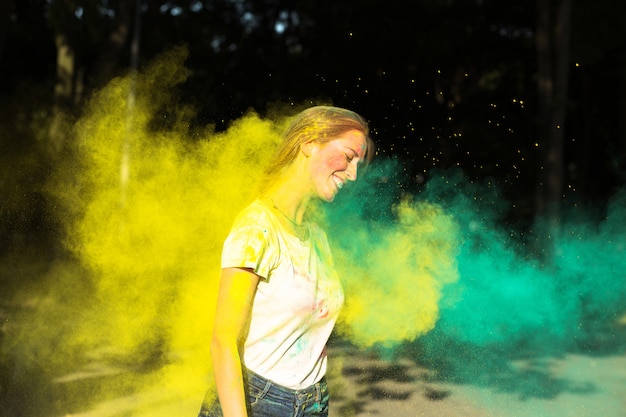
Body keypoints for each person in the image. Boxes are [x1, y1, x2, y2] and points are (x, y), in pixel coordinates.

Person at [198, 105, 374, 417]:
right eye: (348, 156)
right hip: (257, 402)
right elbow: (223, 341)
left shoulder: (317, 237)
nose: (353, 173)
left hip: (313, 402)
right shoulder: (258, 227)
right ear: (309, 143)